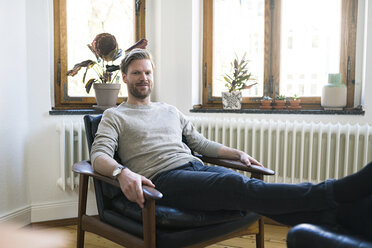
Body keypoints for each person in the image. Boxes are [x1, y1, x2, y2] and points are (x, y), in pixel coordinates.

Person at [91, 48, 372, 237]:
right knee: (238, 187)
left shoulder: (169, 110)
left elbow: (200, 143)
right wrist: (122, 172)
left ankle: (340, 220)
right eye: (137, 73)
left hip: (195, 167)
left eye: (148, 73)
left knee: (252, 190)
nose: (144, 78)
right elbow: (99, 156)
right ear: (125, 77)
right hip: (164, 178)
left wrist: (237, 153)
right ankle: (333, 192)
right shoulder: (115, 116)